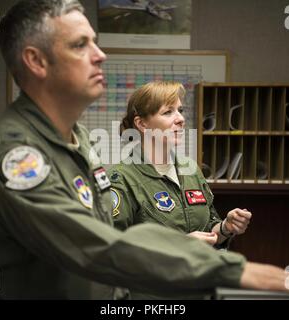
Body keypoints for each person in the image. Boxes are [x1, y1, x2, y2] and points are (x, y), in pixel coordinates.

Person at [0, 0, 289, 299]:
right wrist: (231, 269)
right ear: (36, 61)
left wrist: (222, 231)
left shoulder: (79, 141)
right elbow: (94, 246)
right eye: (79, 44)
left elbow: (105, 232)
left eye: (94, 41)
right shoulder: (15, 157)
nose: (99, 54)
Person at [107, 81, 252, 299]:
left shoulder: (190, 169)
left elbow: (207, 232)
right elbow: (114, 251)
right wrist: (178, 246)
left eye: (180, 110)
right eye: (168, 112)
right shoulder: (122, 178)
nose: (181, 119)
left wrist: (225, 227)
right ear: (142, 124)